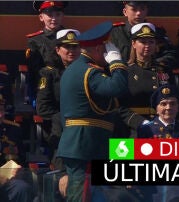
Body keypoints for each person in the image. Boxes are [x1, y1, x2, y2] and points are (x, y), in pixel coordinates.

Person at [56, 21, 128, 202]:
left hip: (84, 143)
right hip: (85, 144)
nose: (106, 54)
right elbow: (117, 87)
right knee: (82, 196)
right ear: (97, 48)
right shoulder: (89, 71)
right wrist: (117, 62)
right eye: (105, 49)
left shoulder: (76, 69)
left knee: (89, 195)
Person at [138, 85, 179, 202]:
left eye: (173, 103)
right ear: (157, 108)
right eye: (163, 104)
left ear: (178, 107)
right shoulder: (146, 129)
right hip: (155, 189)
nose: (169, 107)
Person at [36, 29, 81, 168]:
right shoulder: (49, 74)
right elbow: (43, 108)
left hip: (87, 125)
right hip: (61, 128)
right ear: (57, 50)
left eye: (75, 46)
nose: (71, 50)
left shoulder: (90, 72)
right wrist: (64, 118)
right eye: (67, 47)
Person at [123, 22, 176, 132]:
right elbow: (118, 106)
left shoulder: (163, 69)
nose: (147, 45)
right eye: (142, 42)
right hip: (131, 129)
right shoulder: (125, 71)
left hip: (161, 128)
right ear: (133, 44)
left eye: (151, 42)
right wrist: (140, 122)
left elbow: (174, 98)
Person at [25, 1, 68, 105]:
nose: (54, 18)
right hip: (46, 85)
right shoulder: (35, 40)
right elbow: (34, 70)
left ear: (62, 16)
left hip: (68, 83)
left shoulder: (71, 36)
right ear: (41, 17)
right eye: (49, 15)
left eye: (58, 14)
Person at [110, 1, 176, 67]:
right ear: (125, 12)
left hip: (152, 73)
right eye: (134, 9)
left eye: (142, 9)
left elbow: (170, 55)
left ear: (146, 11)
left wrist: (152, 64)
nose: (139, 13)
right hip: (125, 73)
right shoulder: (116, 32)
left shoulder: (156, 31)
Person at [0, 94, 34, 202]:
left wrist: (19, 170)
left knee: (22, 188)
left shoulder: (14, 130)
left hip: (10, 180)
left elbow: (22, 158)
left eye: (1, 109)